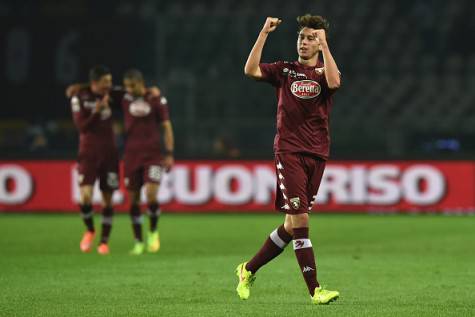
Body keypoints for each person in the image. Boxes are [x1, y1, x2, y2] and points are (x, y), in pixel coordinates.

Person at [236, 14, 341, 305]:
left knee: (291, 226)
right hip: (289, 150)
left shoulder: (325, 71)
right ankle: (315, 290)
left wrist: (326, 46)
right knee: (302, 220)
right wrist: (263, 33)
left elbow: (334, 81)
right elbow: (250, 69)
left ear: (320, 43)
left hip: (318, 152)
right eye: (302, 37)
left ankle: (248, 269)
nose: (304, 42)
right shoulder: (285, 70)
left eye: (311, 38)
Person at [121, 69, 174, 255]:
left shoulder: (156, 100)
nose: (129, 89)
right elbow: (101, 88)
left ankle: (152, 231)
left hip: (153, 156)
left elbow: (167, 127)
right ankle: (138, 241)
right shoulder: (125, 98)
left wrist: (169, 153)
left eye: (132, 86)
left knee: (151, 195)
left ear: (140, 83)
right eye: (126, 86)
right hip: (131, 157)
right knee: (133, 200)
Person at [71, 65, 119, 255]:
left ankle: (104, 242)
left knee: (108, 200)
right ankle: (90, 230)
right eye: (106, 82)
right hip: (88, 154)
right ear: (94, 83)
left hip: (110, 155)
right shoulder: (79, 97)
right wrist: (97, 111)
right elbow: (81, 126)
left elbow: (133, 89)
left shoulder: (113, 94)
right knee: (85, 196)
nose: (110, 85)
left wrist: (151, 90)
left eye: (110, 81)